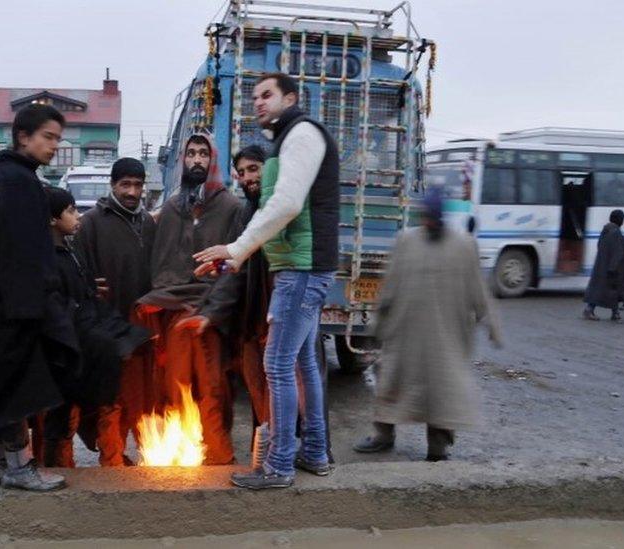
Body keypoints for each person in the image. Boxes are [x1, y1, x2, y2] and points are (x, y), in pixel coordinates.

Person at [194, 72, 338, 488]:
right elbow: (275, 208)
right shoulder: (287, 139)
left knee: (277, 364)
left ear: (290, 98)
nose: (258, 102)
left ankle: (278, 466)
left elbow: (287, 204)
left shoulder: (302, 133)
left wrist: (237, 249)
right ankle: (313, 453)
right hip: (300, 263)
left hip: (301, 266)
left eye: (268, 95)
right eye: (254, 96)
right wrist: (235, 257)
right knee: (303, 361)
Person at [0, 104, 76, 492]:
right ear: (23, 137)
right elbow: (23, 255)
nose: (54, 146)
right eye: (48, 137)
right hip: (14, 308)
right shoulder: (19, 184)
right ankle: (19, 467)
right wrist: (37, 311)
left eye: (58, 139)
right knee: (17, 389)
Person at [352, 187, 503, 462]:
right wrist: (378, 325)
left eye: (432, 218)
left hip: (446, 336)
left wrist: (492, 324)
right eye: (425, 217)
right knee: (391, 381)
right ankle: (383, 435)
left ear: (440, 217)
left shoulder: (464, 245)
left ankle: (438, 447)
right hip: (406, 332)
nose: (428, 223)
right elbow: (390, 287)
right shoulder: (407, 241)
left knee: (441, 393)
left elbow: (478, 289)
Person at [137, 133, 243, 465]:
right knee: (171, 385)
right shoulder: (171, 206)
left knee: (211, 387)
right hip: (172, 310)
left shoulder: (230, 207)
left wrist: (210, 308)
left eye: (203, 154)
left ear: (213, 160)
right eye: (191, 154)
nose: (196, 160)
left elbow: (234, 267)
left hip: (208, 313)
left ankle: (216, 456)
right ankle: (176, 453)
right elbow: (161, 259)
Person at [42, 186, 149, 467]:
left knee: (105, 404)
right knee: (64, 415)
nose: (78, 216)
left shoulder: (69, 252)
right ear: (53, 219)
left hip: (86, 346)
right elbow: (62, 308)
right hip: (70, 352)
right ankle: (59, 466)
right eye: (70, 210)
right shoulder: (49, 259)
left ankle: (111, 461)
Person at [76, 157, 158, 466]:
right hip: (107, 327)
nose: (132, 192)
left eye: (138, 185)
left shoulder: (148, 222)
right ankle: (111, 462)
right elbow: (80, 277)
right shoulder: (91, 223)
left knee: (140, 398)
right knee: (110, 400)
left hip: (141, 328)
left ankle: (147, 457)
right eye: (125, 184)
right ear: (112, 185)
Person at [185, 145, 271, 428]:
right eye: (242, 172)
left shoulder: (281, 211)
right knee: (261, 400)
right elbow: (239, 267)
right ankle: (267, 461)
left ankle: (301, 457)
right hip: (253, 323)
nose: (247, 178)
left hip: (279, 320)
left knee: (287, 396)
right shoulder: (247, 212)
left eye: (254, 169)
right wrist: (209, 312)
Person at [584, 210, 624, 322]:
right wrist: (613, 267)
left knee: (605, 290)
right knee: (610, 290)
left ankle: (614, 312)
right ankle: (590, 309)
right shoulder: (615, 232)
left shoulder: (606, 230)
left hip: (602, 265)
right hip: (612, 268)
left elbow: (601, 246)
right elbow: (618, 252)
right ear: (620, 220)